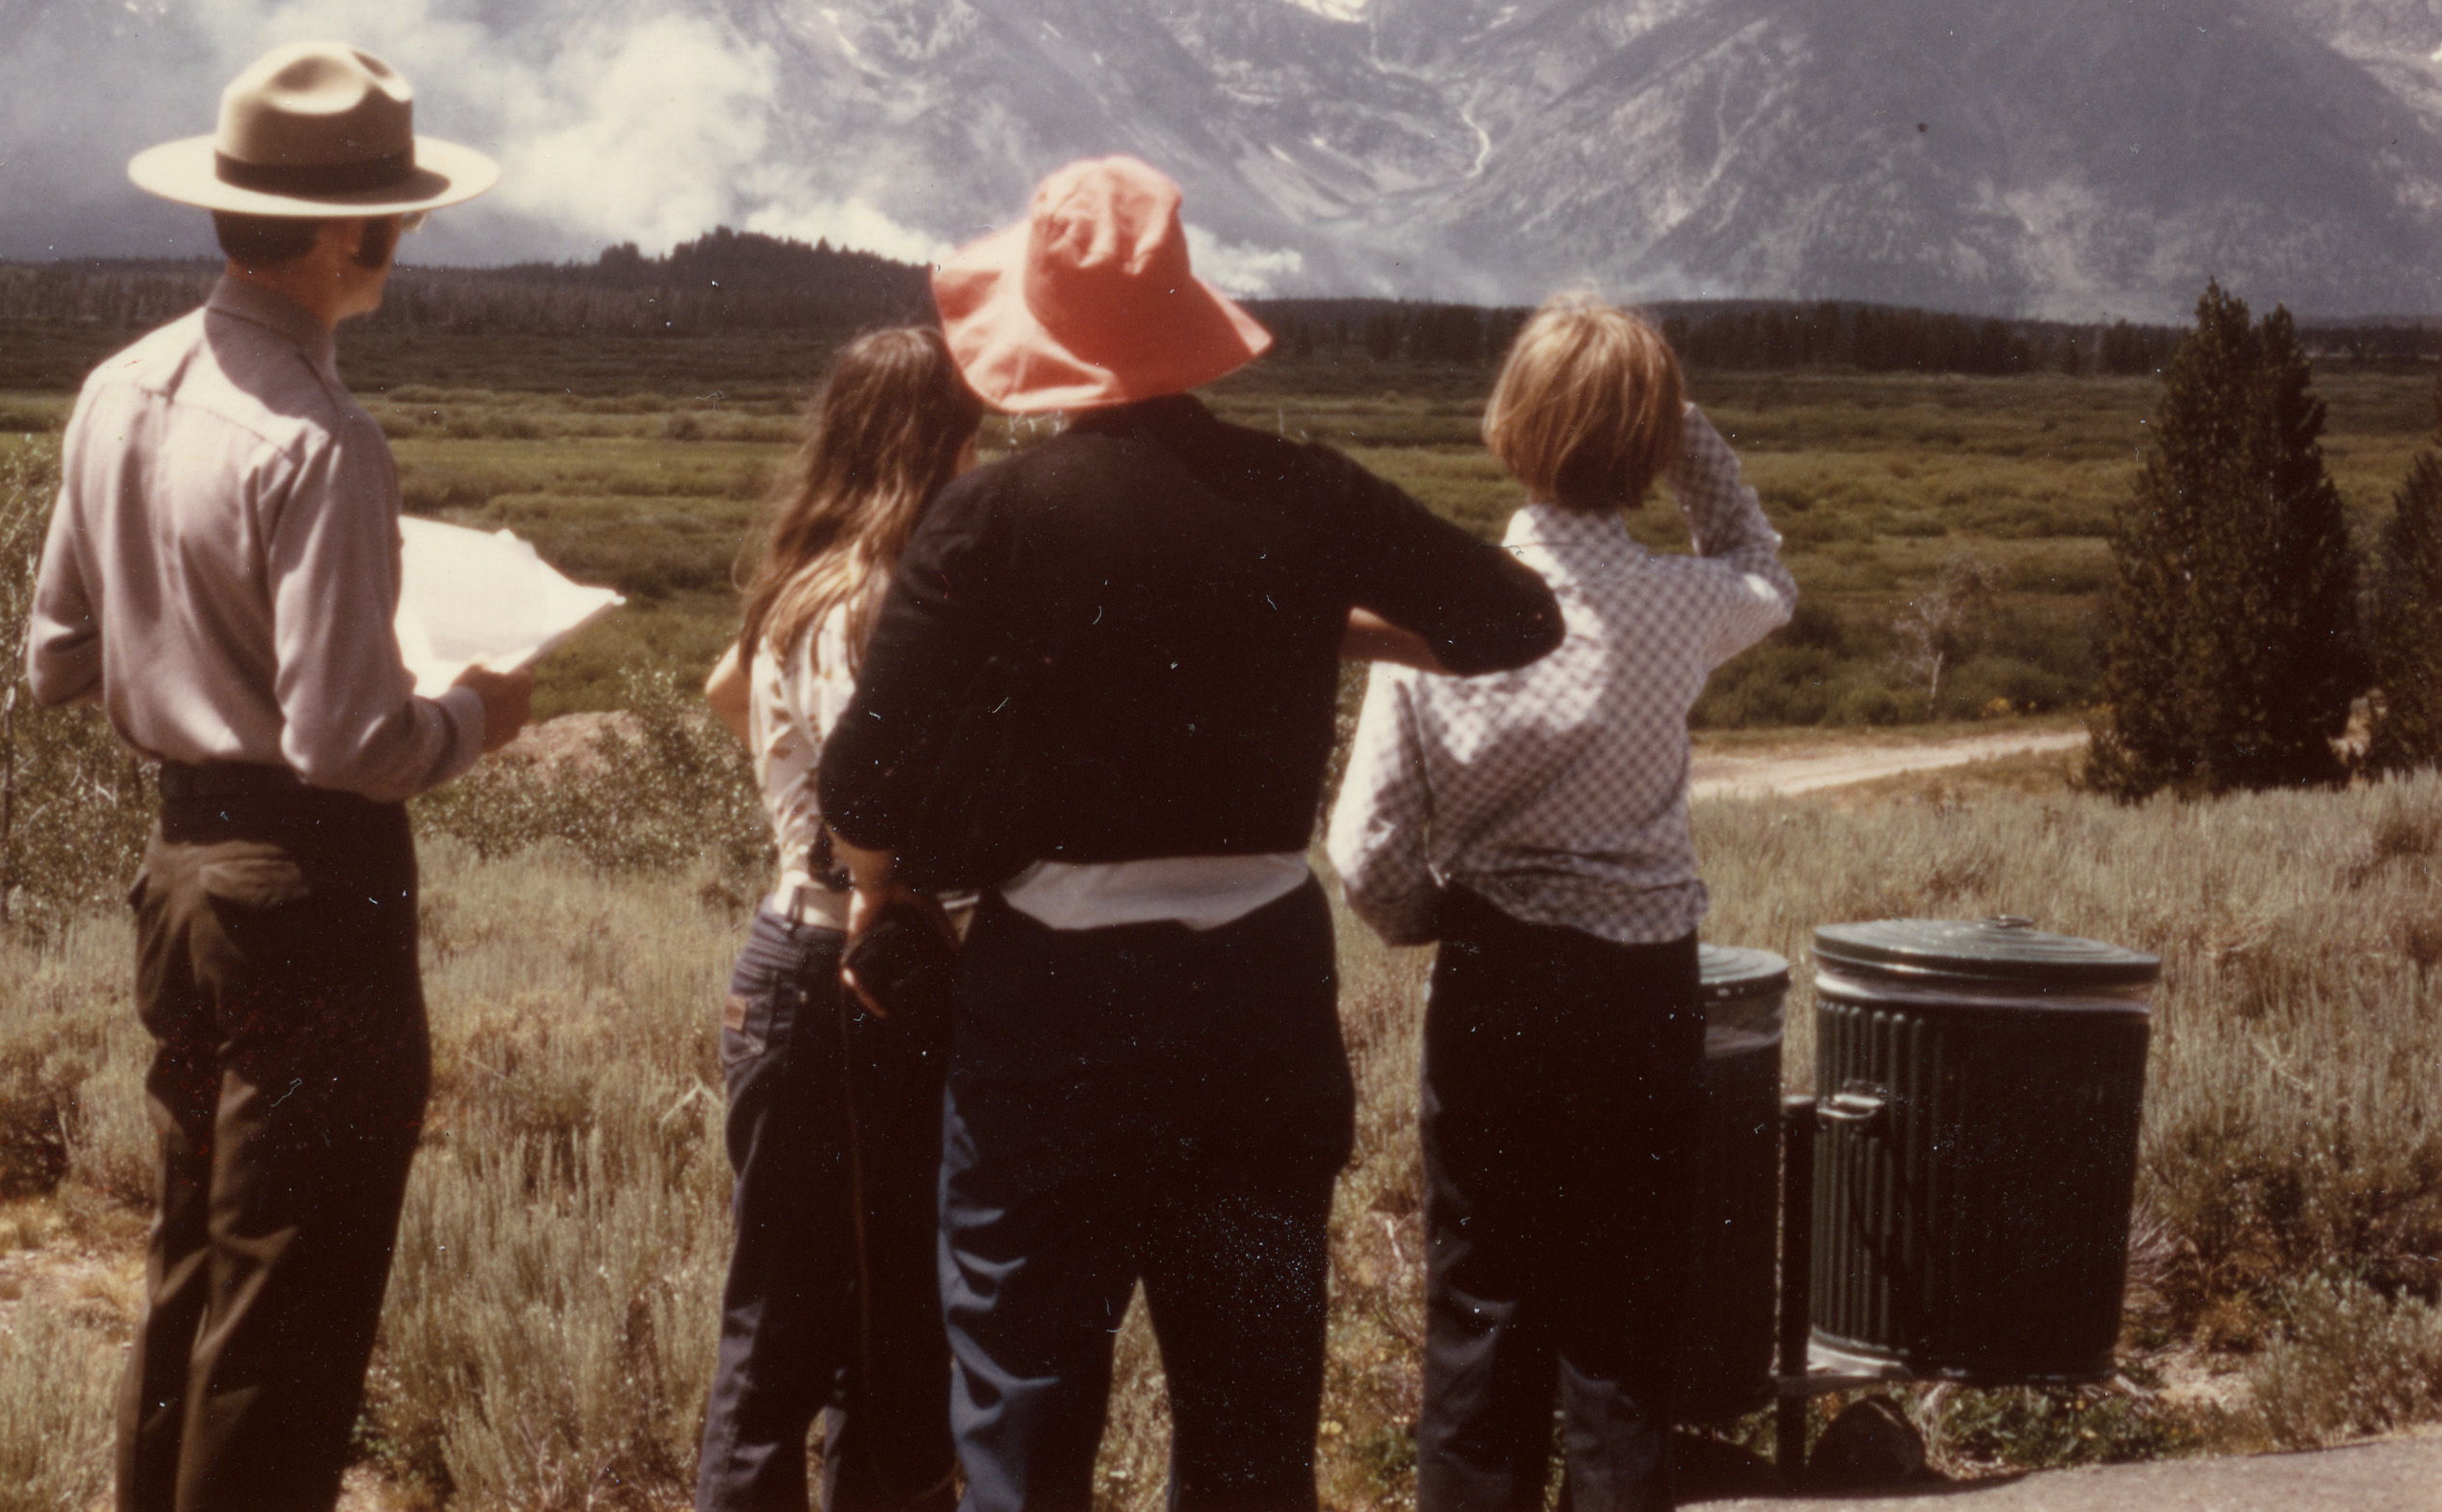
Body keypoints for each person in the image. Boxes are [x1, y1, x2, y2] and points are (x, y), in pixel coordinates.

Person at [817, 156, 1568, 1512]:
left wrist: (878, 897)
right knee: (1247, 1398)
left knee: (1025, 1381)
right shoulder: (1301, 490)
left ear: (1033, 337)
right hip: (1259, 987)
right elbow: (1516, 618)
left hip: (1055, 991)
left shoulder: (988, 517)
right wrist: (1301, 623)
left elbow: (860, 789)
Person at [26, 41, 537, 1512]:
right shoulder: (324, 441)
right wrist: (472, 717)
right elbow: (345, 747)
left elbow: (55, 655)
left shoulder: (115, 389)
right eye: (398, 212)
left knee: (193, 1267)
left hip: (179, 878)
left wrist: (184, 645)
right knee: (291, 1308)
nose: (404, 238)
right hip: (312, 888)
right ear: (349, 234)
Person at [1325, 291, 1795, 1512]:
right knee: (1624, 1323)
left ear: (1508, 421)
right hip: (1641, 987)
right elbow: (1761, 568)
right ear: (1647, 445)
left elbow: (1363, 845)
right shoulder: (1679, 610)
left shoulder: (1442, 610)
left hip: (1498, 978)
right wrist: (1678, 431)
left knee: (1480, 1309)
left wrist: (1445, 914)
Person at [695, 327, 988, 1512]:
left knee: (823, 1307)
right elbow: (871, 788)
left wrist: (787, 793)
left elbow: (724, 689)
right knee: (833, 1322)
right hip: (851, 966)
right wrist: (874, 865)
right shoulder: (874, 593)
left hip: (807, 960)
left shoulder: (808, 573)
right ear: (938, 442)